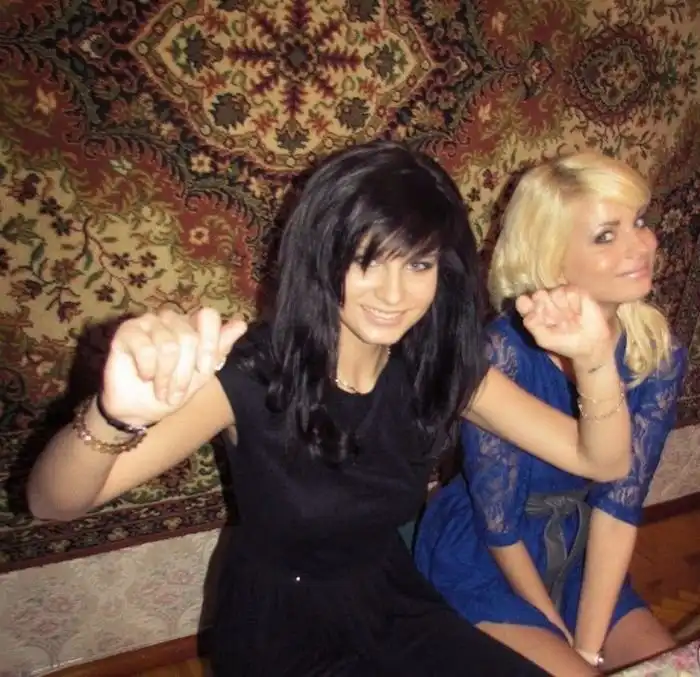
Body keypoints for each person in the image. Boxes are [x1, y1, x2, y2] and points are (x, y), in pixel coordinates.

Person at [28, 141, 632, 676]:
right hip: (279, 629)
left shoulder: (437, 366)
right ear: (322, 257)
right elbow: (54, 503)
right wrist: (115, 415)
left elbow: (600, 461)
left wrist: (594, 358)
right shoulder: (254, 374)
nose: (393, 294)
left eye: (418, 263)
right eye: (366, 259)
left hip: (391, 600)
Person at [414, 151, 687, 676]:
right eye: (605, 236)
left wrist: (588, 644)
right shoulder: (501, 355)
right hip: (488, 554)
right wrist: (557, 635)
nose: (642, 246)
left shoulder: (655, 351)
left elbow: (620, 506)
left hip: (581, 547)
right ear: (553, 259)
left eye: (639, 222)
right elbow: (498, 521)